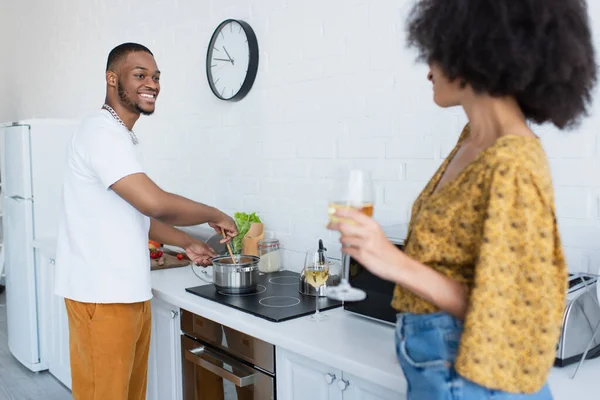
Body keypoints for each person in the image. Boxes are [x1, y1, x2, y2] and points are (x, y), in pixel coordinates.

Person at [328, 1, 596, 399]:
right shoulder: (471, 140)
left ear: (478, 49)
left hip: (471, 378)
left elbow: (510, 313)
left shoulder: (514, 162)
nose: (428, 67)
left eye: (436, 48)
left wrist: (394, 261)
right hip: (437, 363)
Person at [54, 42, 238, 400]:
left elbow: (136, 215)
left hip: (128, 295)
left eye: (155, 77)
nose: (151, 83)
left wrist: (185, 242)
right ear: (112, 79)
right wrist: (215, 214)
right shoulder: (100, 132)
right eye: (140, 75)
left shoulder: (122, 137)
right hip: (100, 295)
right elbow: (154, 203)